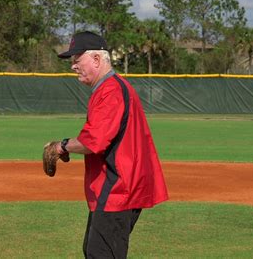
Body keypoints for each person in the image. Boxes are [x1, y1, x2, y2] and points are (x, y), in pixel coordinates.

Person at [55, 31, 168, 258]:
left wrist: (62, 146)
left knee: (101, 254)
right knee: (94, 250)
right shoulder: (112, 88)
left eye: (77, 60)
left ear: (96, 59)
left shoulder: (111, 90)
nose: (73, 66)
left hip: (119, 189)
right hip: (120, 188)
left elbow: (93, 141)